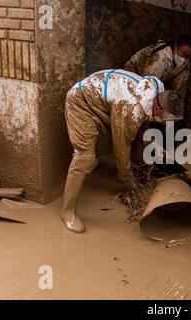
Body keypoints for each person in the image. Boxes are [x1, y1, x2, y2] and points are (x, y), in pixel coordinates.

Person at [61, 69, 184, 234]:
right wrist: (129, 183)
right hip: (82, 103)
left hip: (104, 101)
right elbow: (121, 150)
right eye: (165, 118)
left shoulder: (156, 94)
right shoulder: (131, 108)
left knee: (139, 138)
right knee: (85, 157)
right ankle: (67, 211)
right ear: (156, 107)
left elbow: (140, 137)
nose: (165, 122)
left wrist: (151, 160)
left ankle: (140, 174)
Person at [124, 35, 191, 97]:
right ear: (175, 46)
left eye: (187, 56)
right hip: (133, 74)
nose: (184, 59)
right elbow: (147, 85)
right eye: (182, 54)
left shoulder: (185, 63)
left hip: (158, 80)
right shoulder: (160, 57)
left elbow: (179, 89)